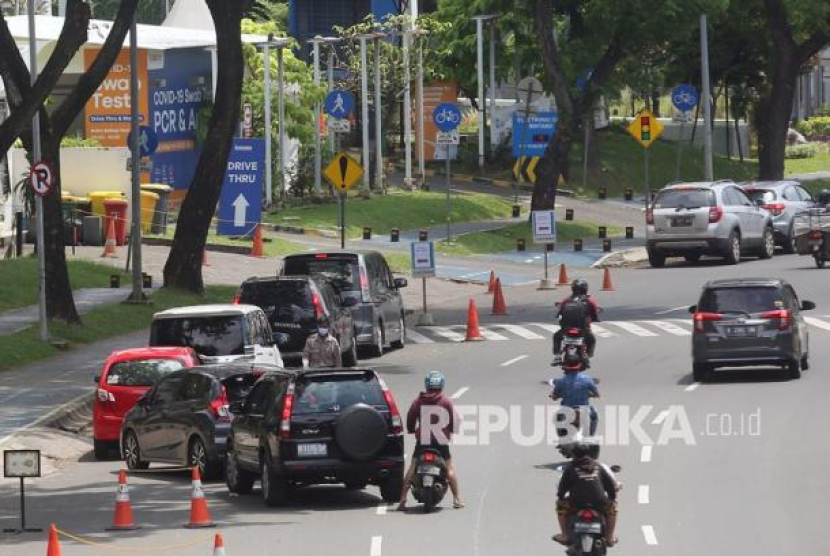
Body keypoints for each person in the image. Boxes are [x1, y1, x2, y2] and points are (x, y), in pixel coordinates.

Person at [397, 370, 464, 510]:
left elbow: (411, 417)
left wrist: (410, 429)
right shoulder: (446, 401)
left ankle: (403, 500)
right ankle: (457, 499)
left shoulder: (419, 400)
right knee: (449, 469)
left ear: (427, 385)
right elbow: (455, 420)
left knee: (412, 467)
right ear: (442, 385)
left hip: (423, 442)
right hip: (441, 442)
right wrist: (452, 430)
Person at [553, 442, 618, 547]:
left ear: (573, 455)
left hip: (576, 502)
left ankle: (564, 535)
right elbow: (610, 486)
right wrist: (612, 498)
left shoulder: (571, 468)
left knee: (561, 506)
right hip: (599, 502)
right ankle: (610, 537)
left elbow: (562, 487)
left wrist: (560, 497)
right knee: (612, 509)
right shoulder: (598, 466)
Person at [552, 279, 600, 366]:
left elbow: (558, 315)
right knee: (592, 340)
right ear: (585, 289)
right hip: (583, 329)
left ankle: (557, 356)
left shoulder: (565, 301)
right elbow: (595, 315)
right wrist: (595, 319)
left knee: (556, 337)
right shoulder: (589, 301)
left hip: (566, 329)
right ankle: (588, 356)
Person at [550, 352, 599, 437]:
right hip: (584, 409)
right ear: (579, 365)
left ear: (565, 367)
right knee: (594, 417)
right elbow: (597, 394)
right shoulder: (587, 379)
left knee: (557, 418)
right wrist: (590, 394)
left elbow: (554, 396)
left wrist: (555, 396)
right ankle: (590, 436)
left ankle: (561, 438)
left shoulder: (560, 381)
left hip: (566, 409)